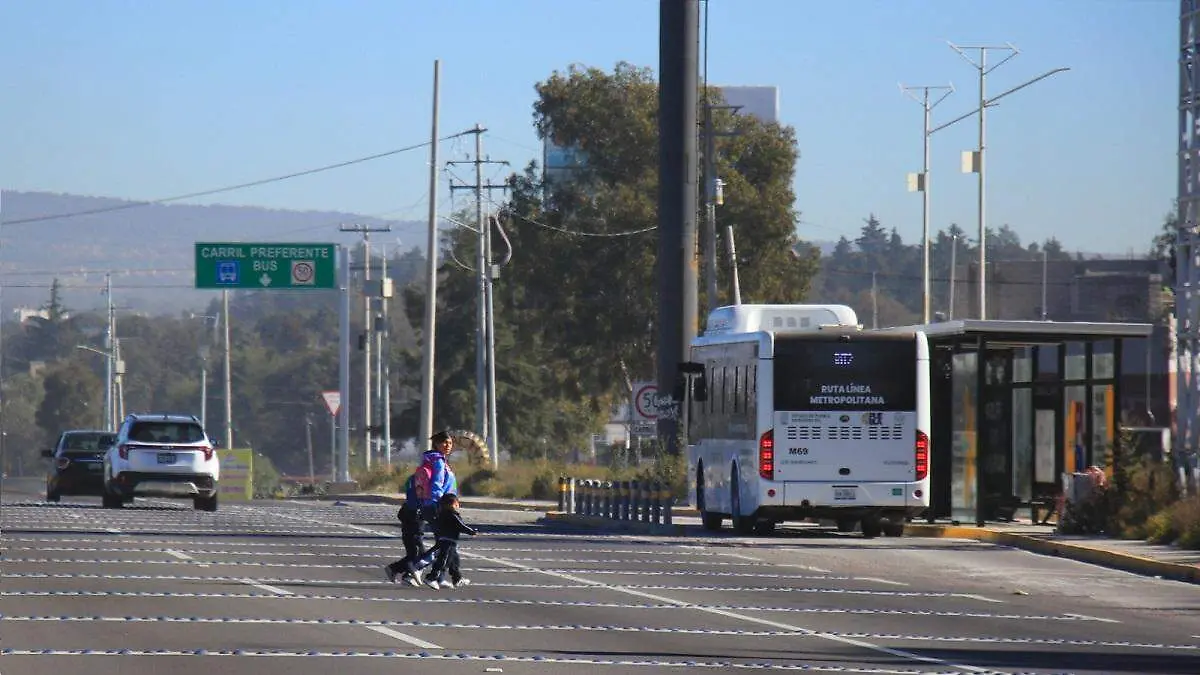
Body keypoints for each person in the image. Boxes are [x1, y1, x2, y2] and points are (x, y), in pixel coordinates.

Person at [391, 429, 460, 585]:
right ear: (436, 444)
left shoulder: (433, 460)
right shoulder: (438, 462)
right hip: (438, 506)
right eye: (444, 442)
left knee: (445, 542)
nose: (448, 445)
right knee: (445, 542)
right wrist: (438, 505)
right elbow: (436, 485)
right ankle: (417, 569)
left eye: (450, 443)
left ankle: (440, 577)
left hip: (436, 505)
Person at [423, 492, 477, 590]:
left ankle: (457, 578)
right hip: (448, 542)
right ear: (452, 504)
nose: (458, 506)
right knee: (444, 561)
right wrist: (472, 532)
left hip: (447, 541)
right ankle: (432, 577)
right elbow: (461, 526)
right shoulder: (453, 515)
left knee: (454, 560)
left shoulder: (442, 514)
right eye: (457, 504)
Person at [383, 472, 425, 585]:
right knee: (419, 554)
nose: (421, 492)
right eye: (419, 490)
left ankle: (396, 569)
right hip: (411, 533)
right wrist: (413, 519)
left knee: (414, 554)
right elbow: (401, 515)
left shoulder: (419, 503)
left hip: (415, 532)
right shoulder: (411, 504)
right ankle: (406, 572)